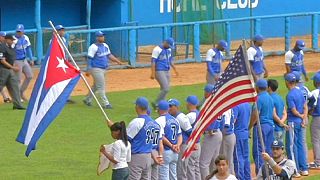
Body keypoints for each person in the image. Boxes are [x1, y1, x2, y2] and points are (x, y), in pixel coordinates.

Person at [83, 31, 123, 109]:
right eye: (100, 36)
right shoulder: (93, 47)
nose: (102, 37)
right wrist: (88, 69)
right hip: (96, 69)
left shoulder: (105, 45)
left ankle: (87, 99)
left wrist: (117, 61)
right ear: (97, 37)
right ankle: (106, 104)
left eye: (103, 36)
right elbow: (89, 58)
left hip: (104, 69)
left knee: (96, 86)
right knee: (101, 86)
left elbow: (109, 55)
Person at [126, 97, 162, 180]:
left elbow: (126, 138)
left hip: (137, 157)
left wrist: (113, 128)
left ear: (138, 107)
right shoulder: (155, 124)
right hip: (148, 156)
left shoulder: (137, 121)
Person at [284, 73, 309, 177]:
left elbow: (293, 110)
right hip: (300, 122)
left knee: (291, 147)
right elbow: (305, 106)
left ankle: (295, 170)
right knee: (300, 146)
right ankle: (304, 169)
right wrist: (304, 118)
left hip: (293, 122)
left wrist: (300, 116)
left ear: (287, 82)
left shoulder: (290, 95)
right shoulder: (299, 91)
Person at [249, 79, 275, 174]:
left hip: (261, 127)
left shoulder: (259, 99)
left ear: (257, 88)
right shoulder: (270, 98)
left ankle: (261, 174)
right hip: (270, 126)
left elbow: (256, 114)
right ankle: (269, 173)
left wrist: (249, 127)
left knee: (259, 151)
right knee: (268, 151)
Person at [199, 84, 224, 180]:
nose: (204, 93)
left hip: (211, 134)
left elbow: (211, 119)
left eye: (205, 91)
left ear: (208, 93)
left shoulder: (209, 104)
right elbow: (222, 120)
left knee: (203, 163)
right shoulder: (217, 103)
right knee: (215, 161)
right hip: (218, 133)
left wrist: (209, 129)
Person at [155, 100, 182, 180]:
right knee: (173, 176)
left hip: (165, 151)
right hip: (175, 152)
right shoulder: (175, 120)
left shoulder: (159, 120)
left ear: (159, 109)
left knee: (164, 176)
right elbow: (179, 135)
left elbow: (161, 137)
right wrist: (177, 145)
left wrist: (171, 146)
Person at [168, 98, 192, 180]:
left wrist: (193, 144)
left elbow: (190, 132)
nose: (169, 108)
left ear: (177, 107)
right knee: (177, 169)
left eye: (171, 106)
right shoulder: (171, 117)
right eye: (168, 106)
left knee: (181, 170)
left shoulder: (181, 117)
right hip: (177, 147)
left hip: (183, 146)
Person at [150, 38, 178, 109]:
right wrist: (153, 73)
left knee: (164, 89)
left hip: (167, 70)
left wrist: (175, 69)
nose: (170, 47)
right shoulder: (157, 49)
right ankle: (156, 103)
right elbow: (153, 62)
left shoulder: (169, 50)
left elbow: (170, 60)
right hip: (159, 70)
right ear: (165, 43)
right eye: (169, 45)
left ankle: (162, 105)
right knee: (166, 88)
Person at [52, 25, 76, 104]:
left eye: (62, 30)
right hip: (57, 64)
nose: (62, 32)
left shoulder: (64, 39)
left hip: (64, 63)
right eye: (60, 30)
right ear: (56, 31)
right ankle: (57, 97)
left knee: (67, 79)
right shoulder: (53, 41)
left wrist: (67, 61)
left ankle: (66, 97)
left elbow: (66, 52)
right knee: (57, 81)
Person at [0, 34, 25, 110]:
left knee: (14, 86)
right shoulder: (2, 47)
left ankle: (18, 105)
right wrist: (13, 67)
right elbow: (2, 60)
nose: (13, 41)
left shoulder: (12, 48)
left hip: (10, 70)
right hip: (2, 70)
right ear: (7, 39)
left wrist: (12, 67)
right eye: (11, 40)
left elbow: (12, 59)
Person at [292, 71, 312, 165]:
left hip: (297, 118)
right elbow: (311, 100)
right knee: (302, 141)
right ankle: (305, 162)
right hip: (305, 116)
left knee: (296, 142)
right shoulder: (305, 88)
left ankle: (301, 163)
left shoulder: (295, 91)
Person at [14, 24, 34, 102]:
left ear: (23, 31)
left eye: (20, 31)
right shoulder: (14, 39)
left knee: (29, 76)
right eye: (17, 31)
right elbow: (10, 51)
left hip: (24, 60)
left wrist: (31, 59)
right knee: (18, 79)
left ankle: (21, 92)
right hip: (16, 61)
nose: (18, 33)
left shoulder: (26, 38)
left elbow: (28, 48)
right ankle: (18, 97)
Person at [233, 103, 251, 180]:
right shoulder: (248, 104)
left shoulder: (236, 105)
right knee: (246, 157)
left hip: (238, 134)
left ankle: (240, 178)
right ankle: (247, 177)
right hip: (245, 133)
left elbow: (233, 121)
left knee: (238, 158)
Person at [185, 95, 201, 180]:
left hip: (192, 145)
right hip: (198, 143)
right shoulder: (199, 113)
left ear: (189, 104)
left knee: (190, 168)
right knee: (196, 167)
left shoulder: (190, 116)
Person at [308, 72, 320, 169]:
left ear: (316, 82)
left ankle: (318, 162)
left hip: (317, 118)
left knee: (316, 140)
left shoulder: (314, 92)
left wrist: (309, 112)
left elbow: (311, 106)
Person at [219, 109, 236, 175]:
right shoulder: (230, 108)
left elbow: (226, 126)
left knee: (226, 160)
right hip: (230, 135)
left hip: (227, 137)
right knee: (229, 160)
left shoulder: (226, 110)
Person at [0, 31, 11, 103]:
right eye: (3, 36)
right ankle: (6, 97)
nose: (4, 38)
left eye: (5, 37)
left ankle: (6, 97)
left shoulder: (4, 45)